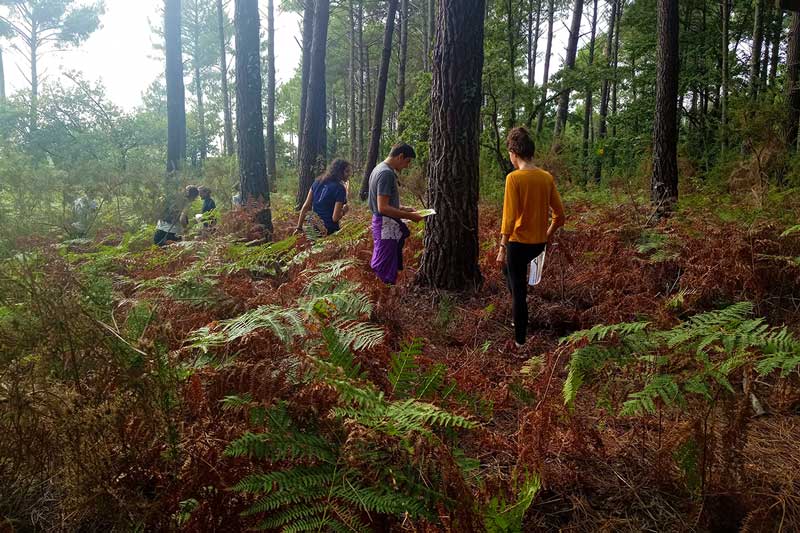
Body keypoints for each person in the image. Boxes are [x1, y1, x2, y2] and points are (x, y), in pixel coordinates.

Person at [496, 127, 565, 348]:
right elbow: (560, 215)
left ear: (514, 152)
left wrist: (501, 247)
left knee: (518, 291)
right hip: (538, 244)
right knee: (510, 275)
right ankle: (520, 316)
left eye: (510, 154)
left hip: (517, 244)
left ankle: (520, 341)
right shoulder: (546, 177)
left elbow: (509, 217)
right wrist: (546, 236)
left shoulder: (513, 178)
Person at [368, 143, 423, 284]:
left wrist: (404, 208)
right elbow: (383, 208)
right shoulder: (386, 173)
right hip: (385, 225)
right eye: (408, 161)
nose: (407, 166)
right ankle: (383, 295)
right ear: (400, 156)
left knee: (385, 257)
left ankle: (382, 294)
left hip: (383, 224)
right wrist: (410, 217)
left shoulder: (379, 169)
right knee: (384, 261)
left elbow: (383, 202)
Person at [295, 159, 352, 237]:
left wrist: (299, 227)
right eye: (347, 171)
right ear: (339, 172)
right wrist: (344, 210)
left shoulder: (317, 182)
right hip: (329, 231)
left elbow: (306, 206)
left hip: (313, 230)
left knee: (313, 248)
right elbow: (335, 218)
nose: (349, 174)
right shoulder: (340, 188)